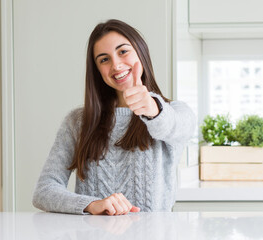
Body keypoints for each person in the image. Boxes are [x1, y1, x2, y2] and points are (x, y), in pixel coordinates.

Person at [32, 19, 195, 215]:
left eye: (123, 51)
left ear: (140, 52)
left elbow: (174, 125)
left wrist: (152, 108)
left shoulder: (175, 112)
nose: (116, 65)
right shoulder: (78, 121)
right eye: (104, 59)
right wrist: (92, 204)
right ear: (97, 70)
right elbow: (44, 191)